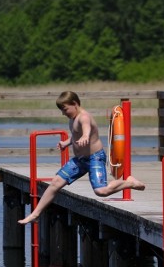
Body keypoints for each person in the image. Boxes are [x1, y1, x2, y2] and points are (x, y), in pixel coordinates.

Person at [19, 91, 145, 225]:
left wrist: (86, 136)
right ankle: (35, 214)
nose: (63, 113)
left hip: (94, 158)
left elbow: (86, 129)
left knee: (101, 191)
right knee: (55, 182)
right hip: (80, 160)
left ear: (74, 104)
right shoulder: (72, 118)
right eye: (61, 110)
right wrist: (66, 142)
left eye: (65, 109)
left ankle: (129, 182)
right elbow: (76, 135)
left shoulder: (84, 117)